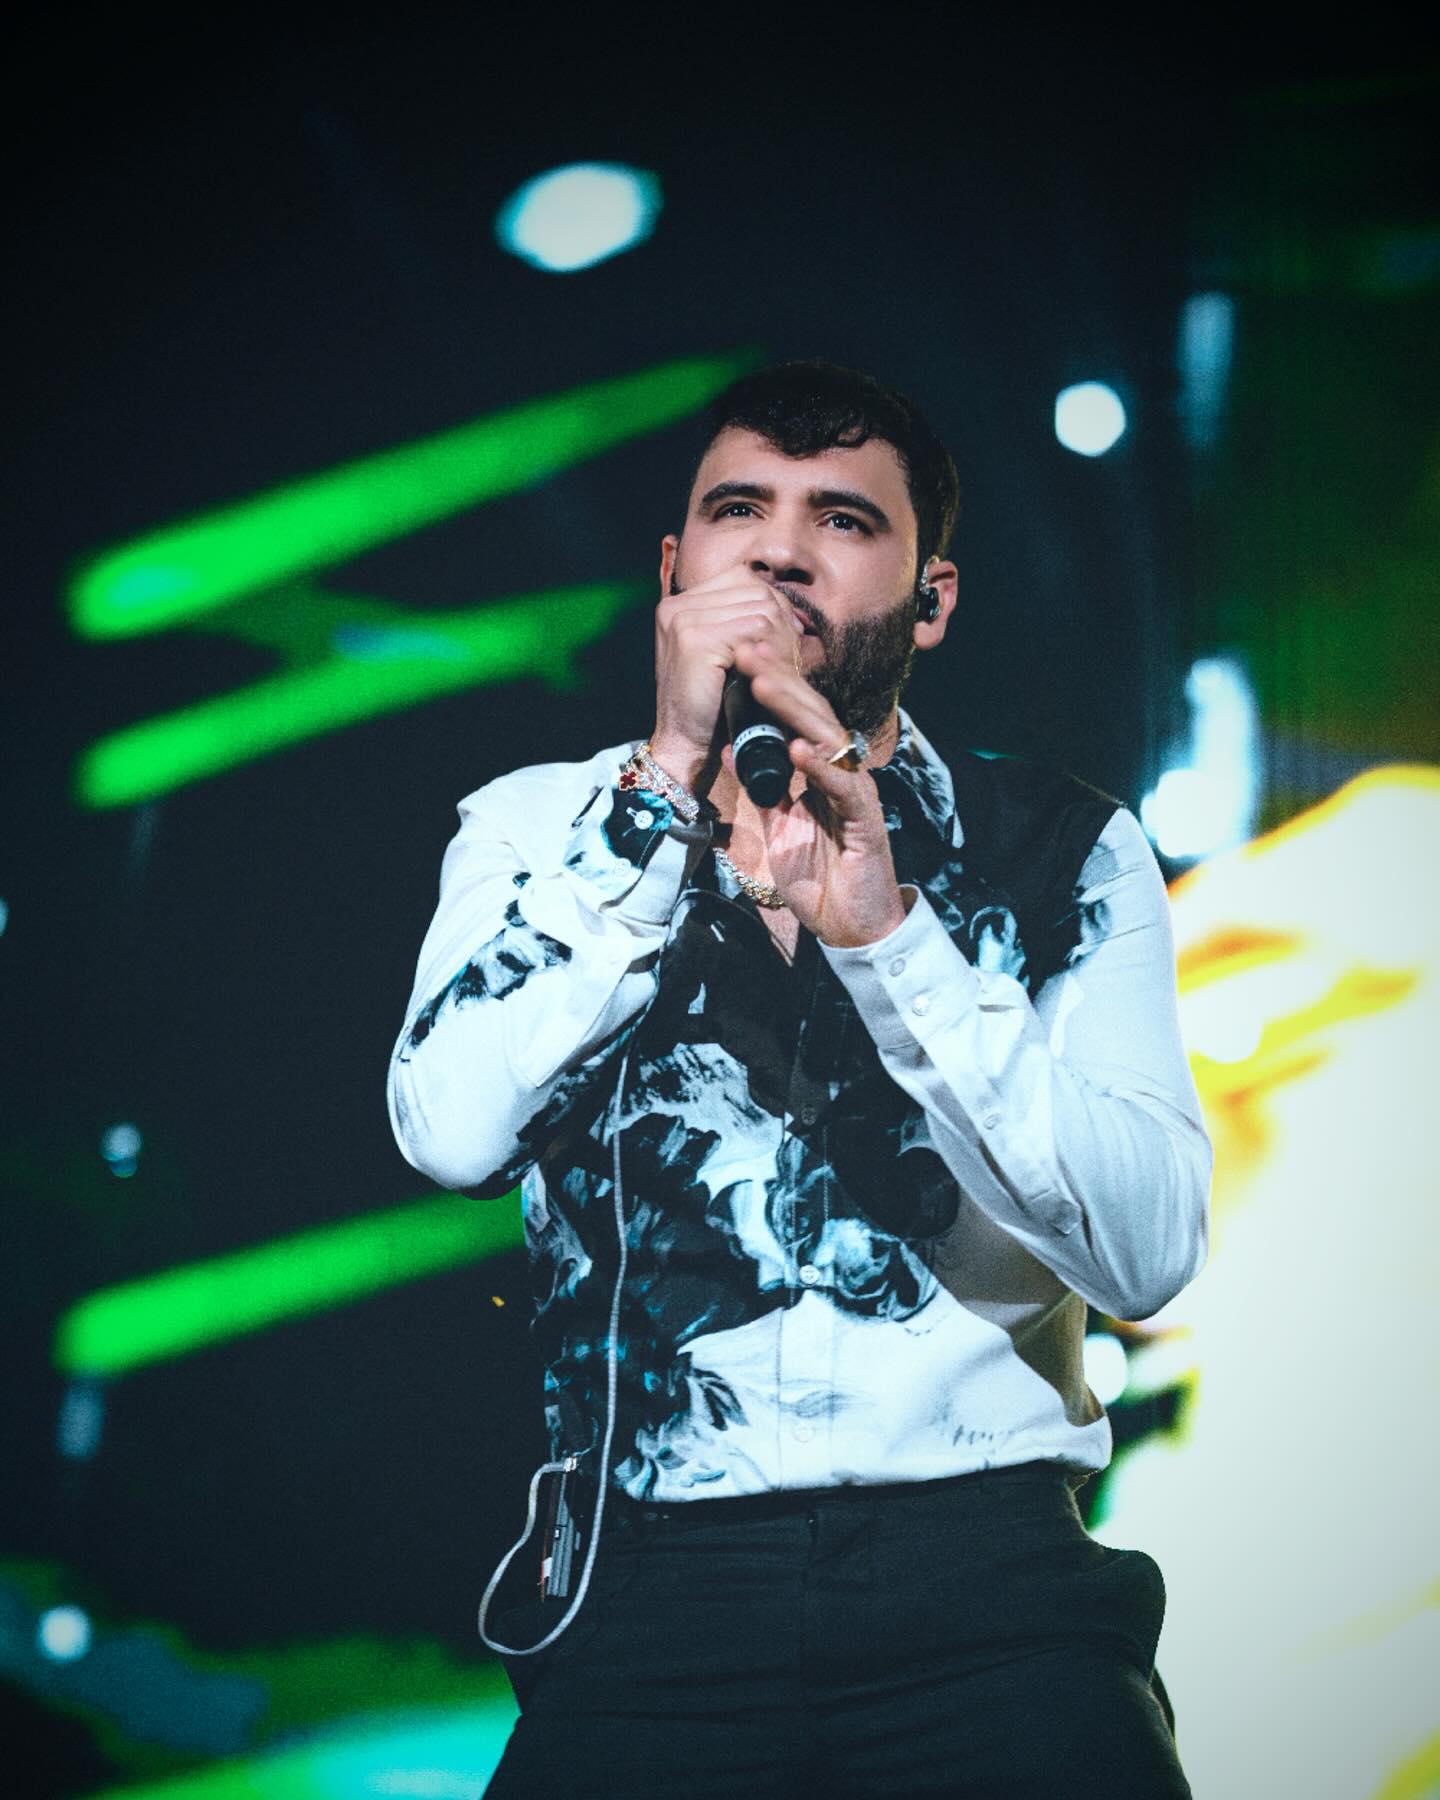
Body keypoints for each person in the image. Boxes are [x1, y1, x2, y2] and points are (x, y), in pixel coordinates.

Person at [387, 361, 1211, 1797]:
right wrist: (660, 790)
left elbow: (1148, 1252)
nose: (777, 551)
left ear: (931, 601)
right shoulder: (535, 829)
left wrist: (896, 945)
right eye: (738, 511)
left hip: (991, 1597)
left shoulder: (1065, 849)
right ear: (674, 572)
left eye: (840, 517)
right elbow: (451, 1131)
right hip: (653, 1600)